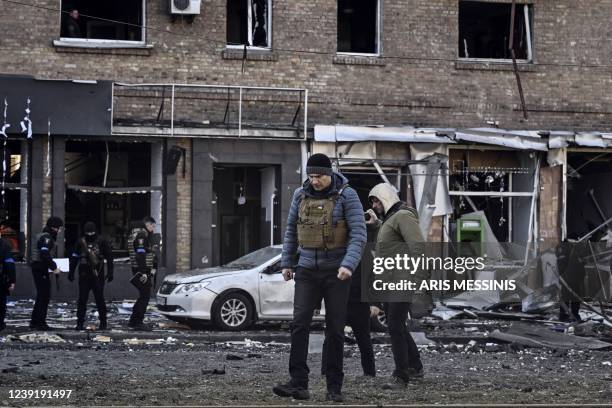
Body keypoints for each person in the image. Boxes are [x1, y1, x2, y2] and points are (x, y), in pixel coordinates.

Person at [272, 153, 367, 403]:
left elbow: (358, 233)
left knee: (335, 329)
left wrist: (348, 264)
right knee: (299, 324)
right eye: (311, 176)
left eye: (319, 176)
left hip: (337, 271)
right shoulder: (299, 195)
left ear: (330, 174)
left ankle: (334, 386)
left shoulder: (347, 195)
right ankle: (298, 383)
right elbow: (291, 229)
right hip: (306, 269)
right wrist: (287, 262)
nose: (314, 181)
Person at [366, 183, 426, 389]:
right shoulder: (390, 219)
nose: (374, 205)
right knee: (398, 326)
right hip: (390, 282)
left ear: (386, 197)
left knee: (394, 327)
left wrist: (418, 281)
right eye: (372, 201)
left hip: (402, 281)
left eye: (376, 200)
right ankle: (415, 367)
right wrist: (375, 226)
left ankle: (401, 376)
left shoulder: (403, 216)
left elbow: (418, 247)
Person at [320, 262, 377, 377]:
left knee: (363, 339)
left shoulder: (361, 252)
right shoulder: (338, 252)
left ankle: (370, 372)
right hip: (340, 301)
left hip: (358, 303)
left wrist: (374, 303)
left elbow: (372, 277)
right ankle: (326, 371)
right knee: (331, 338)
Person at [69, 222, 114, 331]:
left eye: (92, 232)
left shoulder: (101, 241)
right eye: (88, 232)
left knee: (99, 299)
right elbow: (74, 257)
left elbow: (109, 257)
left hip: (97, 274)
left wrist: (110, 272)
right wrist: (71, 272)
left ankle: (103, 323)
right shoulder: (81, 242)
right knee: (83, 300)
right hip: (85, 274)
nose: (90, 234)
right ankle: (80, 323)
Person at [30, 216, 63, 330]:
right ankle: (40, 323)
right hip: (40, 268)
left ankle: (35, 322)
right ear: (54, 228)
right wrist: (54, 267)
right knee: (44, 296)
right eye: (59, 228)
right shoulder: (47, 238)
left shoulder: (44, 235)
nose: (59, 230)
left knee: (41, 296)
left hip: (38, 267)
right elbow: (44, 254)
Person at [128, 216, 158, 329]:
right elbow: (140, 255)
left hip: (139, 269)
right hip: (141, 270)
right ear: (147, 224)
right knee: (145, 297)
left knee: (143, 296)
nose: (153, 229)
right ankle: (138, 322)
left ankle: (133, 320)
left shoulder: (135, 234)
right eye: (152, 226)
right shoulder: (141, 235)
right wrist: (144, 272)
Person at [556, 237, 586, 322]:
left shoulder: (575, 252)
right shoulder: (564, 252)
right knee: (566, 297)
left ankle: (574, 315)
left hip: (574, 279)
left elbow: (580, 264)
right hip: (567, 279)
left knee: (575, 299)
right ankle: (564, 316)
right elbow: (561, 266)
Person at [0, 238, 16, 332]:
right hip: (1, 279)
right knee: (1, 303)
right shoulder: (4, 245)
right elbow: (9, 264)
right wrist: (12, 280)